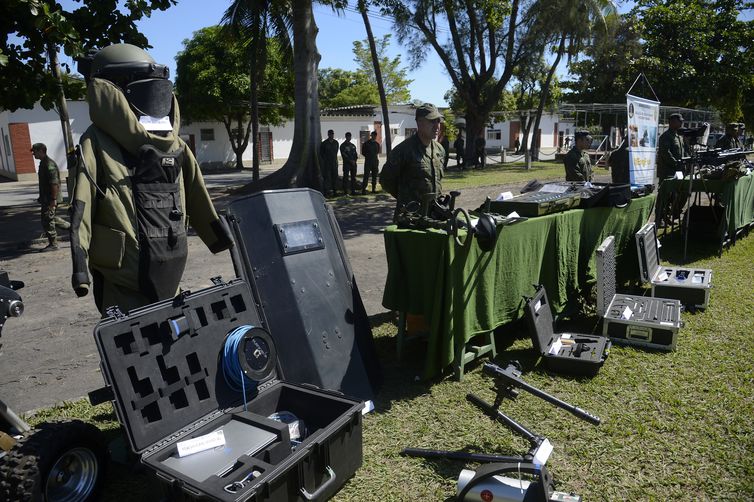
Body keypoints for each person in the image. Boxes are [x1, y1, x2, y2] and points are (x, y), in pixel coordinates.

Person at [70, 43, 232, 316]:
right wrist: (219, 239)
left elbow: (81, 208)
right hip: (160, 263)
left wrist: (80, 269)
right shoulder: (172, 143)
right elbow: (200, 198)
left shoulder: (99, 141)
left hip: (134, 271)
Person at [379, 103, 446, 220]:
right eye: (432, 121)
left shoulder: (439, 150)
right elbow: (386, 180)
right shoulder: (404, 150)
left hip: (434, 215)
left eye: (438, 121)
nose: (437, 126)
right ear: (419, 122)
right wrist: (406, 198)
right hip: (410, 218)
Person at [31, 143, 69, 251]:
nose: (33, 153)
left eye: (35, 151)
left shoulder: (49, 164)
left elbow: (54, 184)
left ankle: (53, 244)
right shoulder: (43, 163)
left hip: (51, 199)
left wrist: (53, 200)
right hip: (46, 198)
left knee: (47, 220)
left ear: (41, 151)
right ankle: (74, 228)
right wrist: (41, 197)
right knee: (50, 219)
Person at [657, 113, 686, 180]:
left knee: (680, 187)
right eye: (679, 121)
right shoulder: (666, 136)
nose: (681, 123)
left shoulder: (679, 136)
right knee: (667, 188)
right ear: (672, 122)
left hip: (678, 170)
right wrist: (676, 163)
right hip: (668, 171)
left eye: (681, 121)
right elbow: (666, 153)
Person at [320, 129, 339, 197]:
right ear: (328, 134)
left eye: (332, 134)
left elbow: (336, 152)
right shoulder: (324, 143)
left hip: (334, 163)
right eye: (330, 134)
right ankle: (327, 192)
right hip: (327, 164)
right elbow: (321, 154)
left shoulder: (336, 143)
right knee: (327, 178)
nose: (331, 135)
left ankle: (335, 191)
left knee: (335, 177)